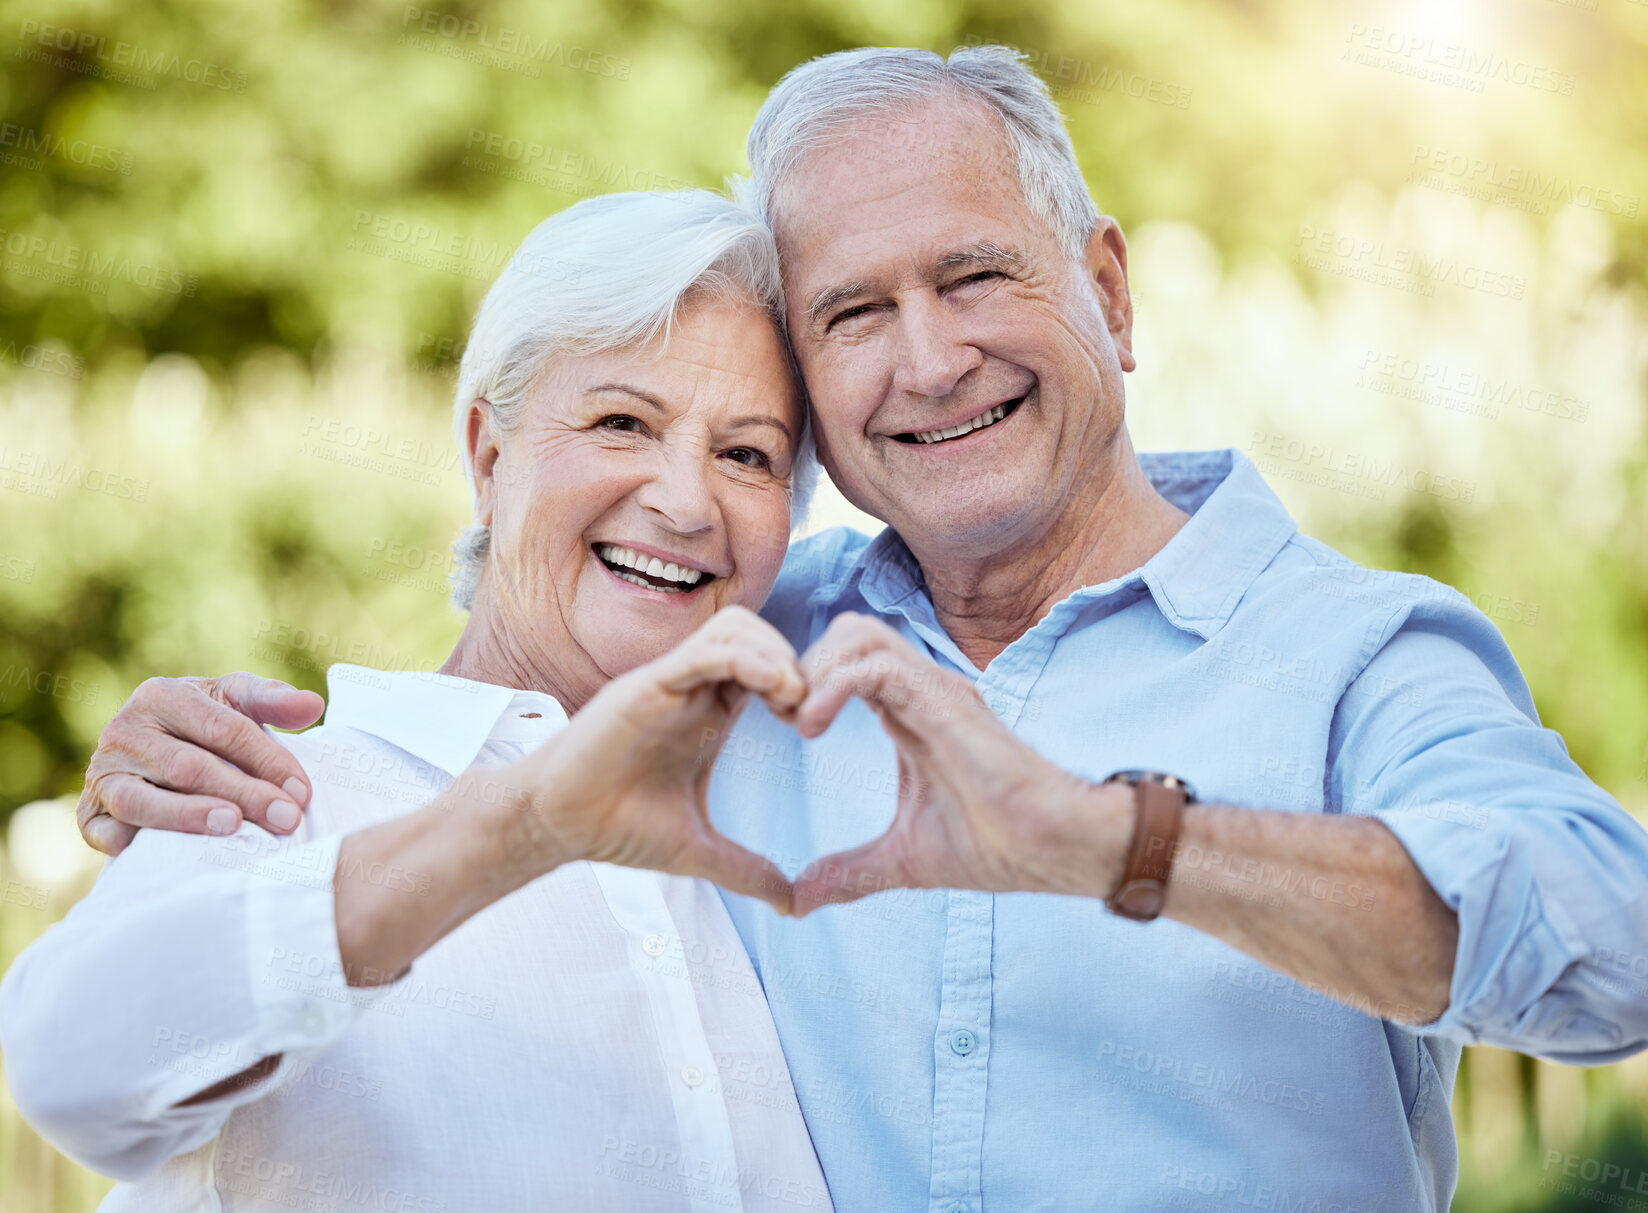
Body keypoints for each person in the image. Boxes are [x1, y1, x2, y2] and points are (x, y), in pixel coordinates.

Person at [66, 45, 1648, 1212]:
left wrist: (1112, 839)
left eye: (975, 275)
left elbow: (1609, 951)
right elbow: (532, 655)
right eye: (852, 315)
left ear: (1107, 288)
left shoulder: (1354, 656)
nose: (930, 358)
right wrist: (172, 753)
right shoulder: (754, 648)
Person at [0, 189, 836, 1212]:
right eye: (622, 421)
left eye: (746, 454)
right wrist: (516, 826)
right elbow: (68, 1072)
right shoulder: (277, 788)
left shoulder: (794, 804)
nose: (685, 499)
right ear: (489, 455)